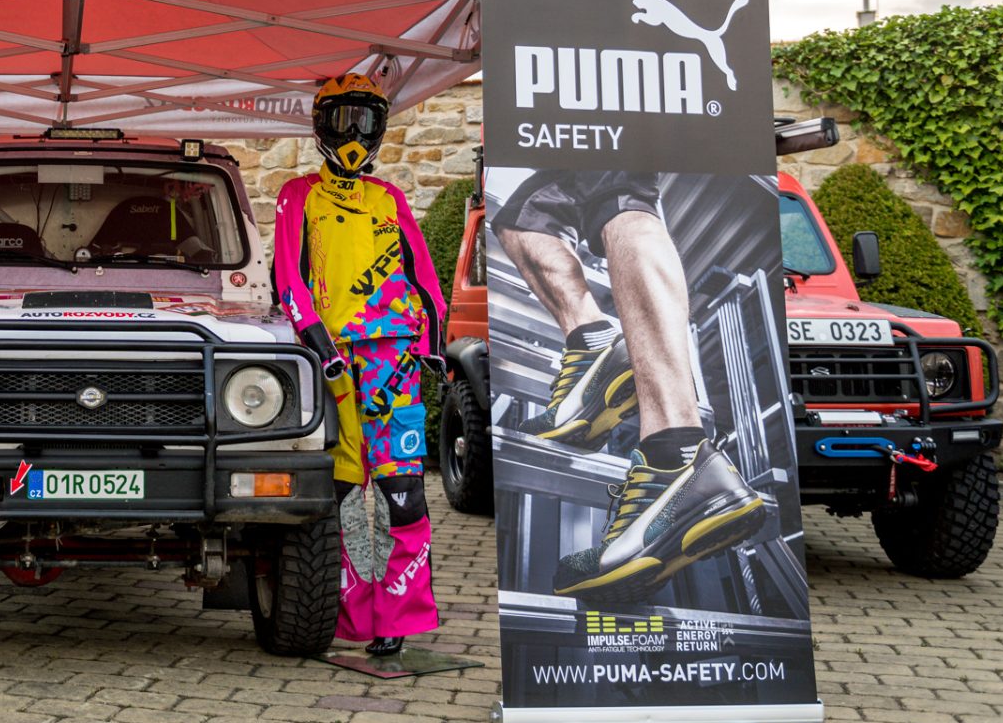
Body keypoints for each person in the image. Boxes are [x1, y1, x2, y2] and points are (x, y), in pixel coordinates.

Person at [491, 170, 766, 603]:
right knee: (521, 218)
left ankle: (675, 454)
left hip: (623, 123)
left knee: (619, 193)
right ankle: (592, 345)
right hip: (579, 131)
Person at [272, 73, 444, 655]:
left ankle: (398, 616)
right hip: (332, 361)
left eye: (365, 121)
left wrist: (433, 344)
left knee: (403, 489)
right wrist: (319, 344)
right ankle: (346, 613)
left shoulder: (389, 197)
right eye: (343, 119)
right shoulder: (299, 194)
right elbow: (288, 277)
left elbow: (423, 276)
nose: (354, 134)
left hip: (394, 359)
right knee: (341, 488)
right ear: (322, 126)